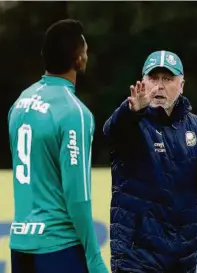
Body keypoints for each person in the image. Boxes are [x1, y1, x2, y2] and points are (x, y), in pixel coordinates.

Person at [103, 50, 197, 273]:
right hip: (136, 258)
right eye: (153, 78)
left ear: (181, 85)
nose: (159, 86)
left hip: (181, 259)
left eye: (168, 79)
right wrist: (131, 111)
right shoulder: (132, 122)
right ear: (142, 82)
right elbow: (111, 133)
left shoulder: (196, 128)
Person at [8, 19, 108, 273]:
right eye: (85, 48)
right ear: (78, 59)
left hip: (20, 244)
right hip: (58, 248)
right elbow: (78, 196)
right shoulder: (75, 113)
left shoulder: (21, 102)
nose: (87, 53)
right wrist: (94, 257)